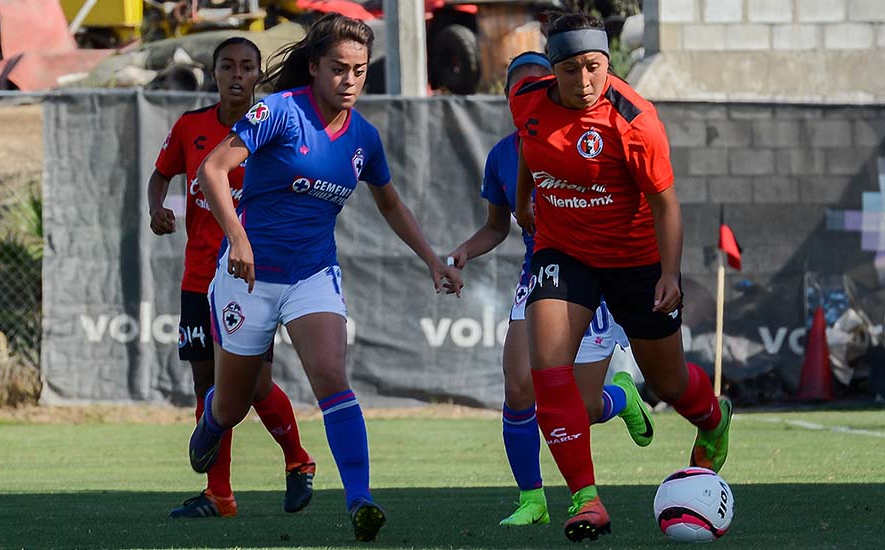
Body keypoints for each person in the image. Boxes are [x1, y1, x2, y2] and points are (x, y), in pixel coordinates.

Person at [187, 14, 463, 542]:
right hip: (249, 277)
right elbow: (212, 171)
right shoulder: (279, 111)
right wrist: (238, 240)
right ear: (313, 67)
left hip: (312, 274)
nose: (350, 80)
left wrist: (432, 259)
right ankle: (213, 422)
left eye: (359, 70)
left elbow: (391, 204)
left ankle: (360, 500)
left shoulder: (364, 137)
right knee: (234, 403)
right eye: (338, 68)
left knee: (332, 376)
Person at [509, 14, 733, 542]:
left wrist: (670, 273)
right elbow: (528, 145)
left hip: (636, 261)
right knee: (548, 372)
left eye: (594, 66)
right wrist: (523, 200)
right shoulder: (527, 100)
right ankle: (586, 501)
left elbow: (666, 204)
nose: (584, 80)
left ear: (607, 62)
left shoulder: (635, 120)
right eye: (570, 69)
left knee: (669, 383)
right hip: (563, 252)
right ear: (552, 69)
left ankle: (713, 419)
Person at [448, 51, 653, 529]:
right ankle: (532, 499)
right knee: (519, 385)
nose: (531, 93)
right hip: (541, 276)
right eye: (519, 87)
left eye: (540, 82)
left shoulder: (591, 136)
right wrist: (463, 252)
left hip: (596, 278)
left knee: (580, 407)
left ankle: (620, 398)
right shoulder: (503, 155)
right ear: (511, 99)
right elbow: (497, 226)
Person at [147, 37, 315, 520]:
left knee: (255, 385)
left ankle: (298, 460)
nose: (237, 75)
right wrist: (156, 207)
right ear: (214, 73)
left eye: (246, 66)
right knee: (206, 383)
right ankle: (219, 495)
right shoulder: (190, 126)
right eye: (227, 66)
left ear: (258, 74)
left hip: (249, 280)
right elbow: (161, 174)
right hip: (199, 278)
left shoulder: (271, 128)